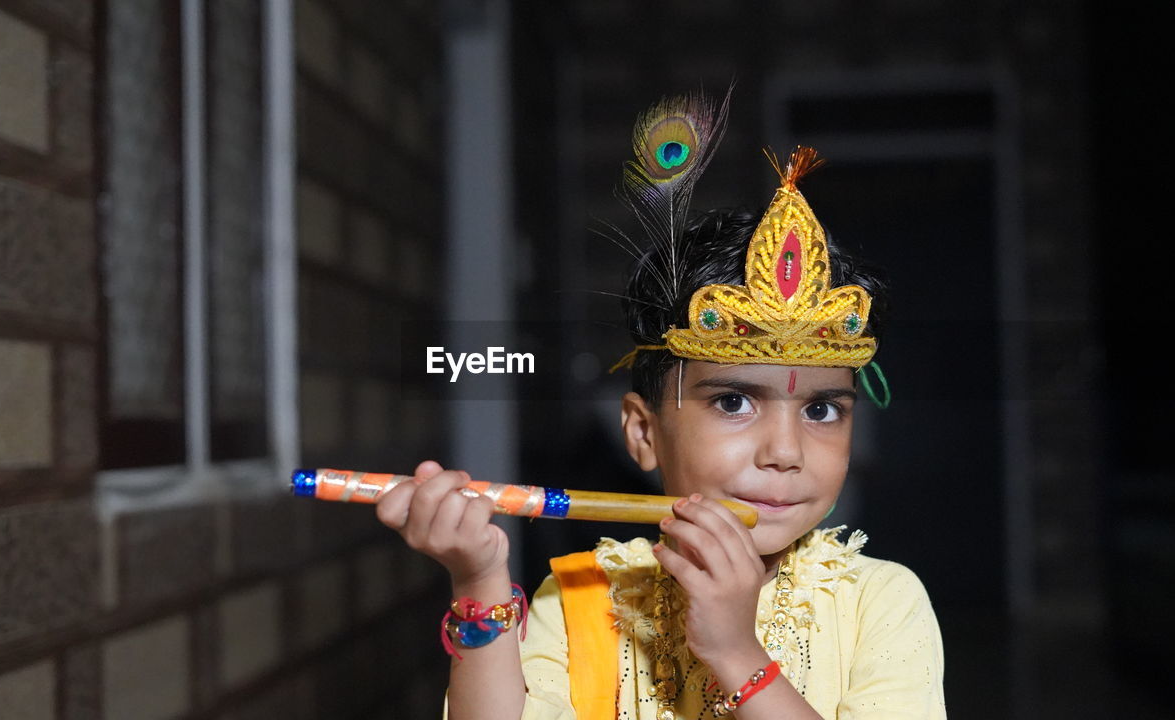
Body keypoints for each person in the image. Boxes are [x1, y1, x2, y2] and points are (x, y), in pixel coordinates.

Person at [375, 92, 946, 719]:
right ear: (643, 432)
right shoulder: (580, 599)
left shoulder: (881, 603)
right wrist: (477, 579)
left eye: (821, 410)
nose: (786, 453)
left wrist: (736, 654)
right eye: (733, 401)